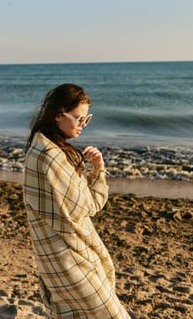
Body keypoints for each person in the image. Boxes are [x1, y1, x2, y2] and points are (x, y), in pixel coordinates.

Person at [23, 83, 130, 318]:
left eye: (87, 119)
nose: (83, 125)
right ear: (59, 115)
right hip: (69, 257)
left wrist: (95, 170)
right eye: (79, 119)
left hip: (55, 254)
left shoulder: (42, 149)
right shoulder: (50, 157)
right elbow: (90, 206)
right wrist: (99, 171)